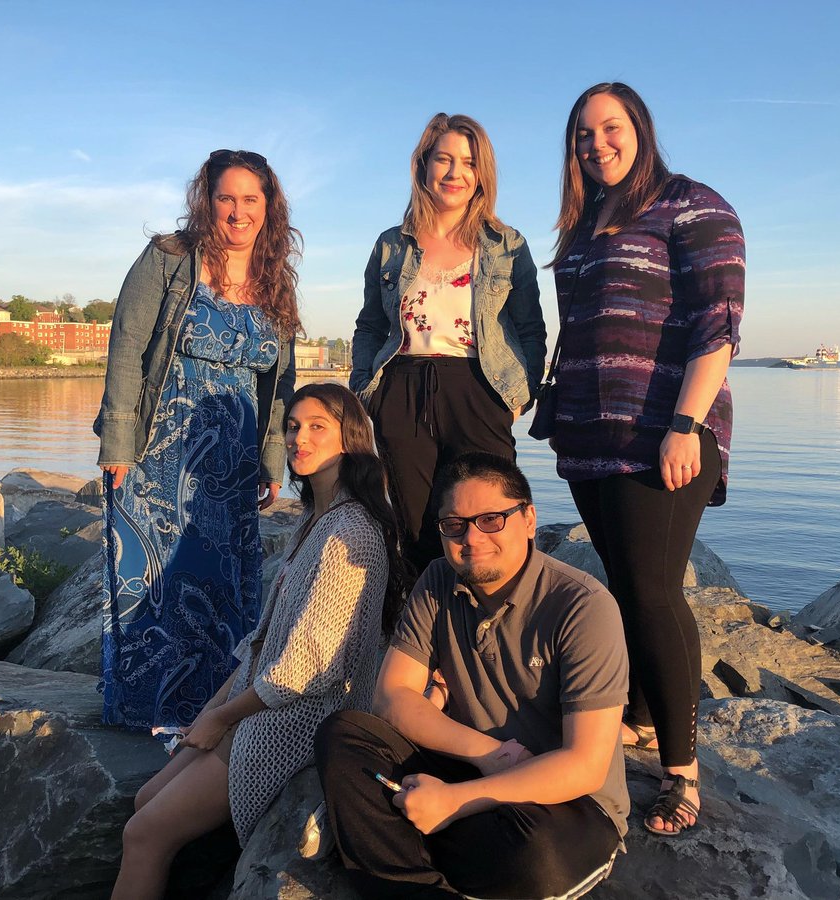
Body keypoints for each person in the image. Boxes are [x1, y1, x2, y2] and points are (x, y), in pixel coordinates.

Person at [110, 382, 410, 899]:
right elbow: (262, 641)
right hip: (256, 704)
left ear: (350, 438)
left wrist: (223, 718)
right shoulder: (315, 520)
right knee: (144, 801)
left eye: (318, 427)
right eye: (293, 427)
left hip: (294, 721)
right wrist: (212, 707)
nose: (298, 438)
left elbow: (306, 669)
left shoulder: (349, 533)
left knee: (143, 833)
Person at [543, 82, 745, 836]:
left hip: (663, 430)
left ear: (641, 129)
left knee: (655, 592)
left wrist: (686, 424)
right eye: (583, 135)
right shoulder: (585, 223)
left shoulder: (692, 204)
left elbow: (718, 325)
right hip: (591, 436)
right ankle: (639, 712)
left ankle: (683, 773)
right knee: (629, 583)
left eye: (611, 127)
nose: (597, 144)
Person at [315, 452, 629, 900]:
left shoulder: (582, 605)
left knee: (537, 858)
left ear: (529, 519)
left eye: (491, 519)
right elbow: (392, 697)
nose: (472, 537)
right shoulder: (439, 580)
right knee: (345, 734)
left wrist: (454, 801)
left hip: (560, 803)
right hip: (467, 766)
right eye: (454, 525)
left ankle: (383, 840)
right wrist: (487, 754)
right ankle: (412, 865)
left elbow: (584, 764)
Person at [94, 149, 300, 731]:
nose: (238, 212)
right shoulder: (168, 259)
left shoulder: (274, 278)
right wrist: (117, 443)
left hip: (231, 462)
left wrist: (272, 459)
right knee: (153, 580)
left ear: (268, 207)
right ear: (206, 200)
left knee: (221, 583)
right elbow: (128, 347)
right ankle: (143, 711)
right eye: (226, 197)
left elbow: (280, 385)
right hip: (159, 447)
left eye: (251, 200)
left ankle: (211, 714)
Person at [350, 113, 546, 572]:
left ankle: (495, 631)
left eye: (469, 162)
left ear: (482, 174)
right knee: (417, 525)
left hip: (478, 387)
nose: (456, 173)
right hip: (401, 387)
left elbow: (531, 328)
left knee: (490, 516)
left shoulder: (507, 245)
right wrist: (367, 390)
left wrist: (519, 397)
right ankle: (430, 633)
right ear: (423, 166)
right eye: (444, 159)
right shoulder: (391, 245)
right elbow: (370, 326)